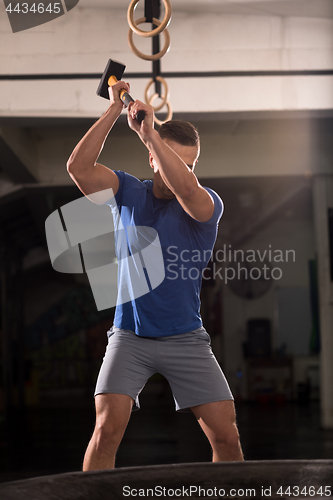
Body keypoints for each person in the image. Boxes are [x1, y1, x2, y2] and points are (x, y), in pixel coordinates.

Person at [66, 80, 244, 470]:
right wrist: (114, 109)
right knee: (106, 430)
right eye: (169, 159)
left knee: (227, 437)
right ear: (152, 159)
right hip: (130, 337)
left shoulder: (206, 204)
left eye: (190, 165)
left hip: (186, 338)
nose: (182, 171)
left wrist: (149, 134)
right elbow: (78, 169)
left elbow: (184, 185)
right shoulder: (127, 191)